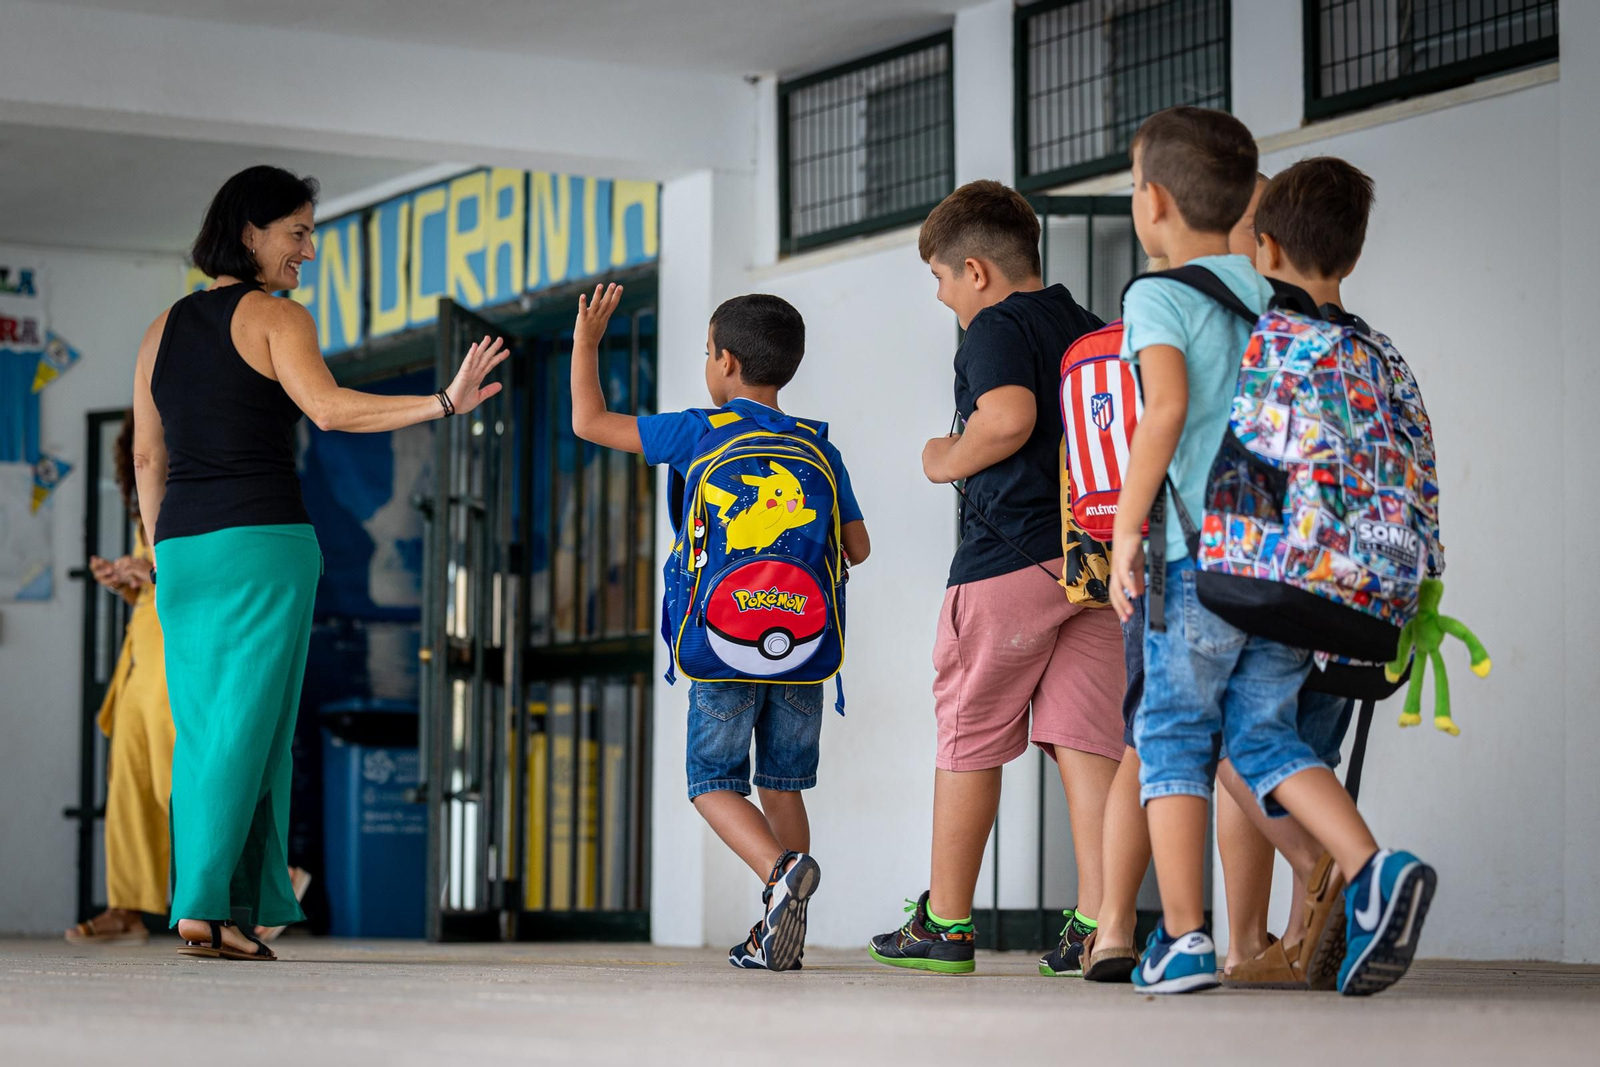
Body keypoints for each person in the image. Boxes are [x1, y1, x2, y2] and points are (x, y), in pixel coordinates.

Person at [133, 165, 507, 961]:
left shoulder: (160, 329)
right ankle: (202, 903)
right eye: (298, 231)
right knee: (250, 729)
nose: (309, 248)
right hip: (263, 545)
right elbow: (332, 410)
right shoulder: (276, 317)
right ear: (249, 232)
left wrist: (163, 553)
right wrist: (442, 403)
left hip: (183, 551)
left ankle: (225, 905)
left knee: (208, 728)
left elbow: (145, 456)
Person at [1108, 107, 1434, 996]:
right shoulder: (1275, 297)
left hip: (1195, 563)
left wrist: (1126, 530)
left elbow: (1165, 411)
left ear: (1155, 203)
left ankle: (1183, 938)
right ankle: (1370, 864)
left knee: (1173, 736)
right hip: (1281, 572)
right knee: (1264, 735)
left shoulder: (1157, 295)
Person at [569, 284, 869, 972]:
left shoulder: (699, 430)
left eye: (707, 352)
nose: (707, 363)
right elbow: (857, 548)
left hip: (720, 641)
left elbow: (590, 421)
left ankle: (778, 876)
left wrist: (588, 342)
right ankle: (781, 919)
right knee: (782, 782)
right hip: (801, 648)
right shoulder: (819, 445)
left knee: (711, 780)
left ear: (726, 363)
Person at [868, 180, 1124, 976]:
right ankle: (1098, 918)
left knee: (969, 734)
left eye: (942, 278)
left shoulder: (994, 325)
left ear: (975, 270)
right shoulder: (1091, 327)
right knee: (1088, 739)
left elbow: (1007, 417)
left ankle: (944, 921)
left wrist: (941, 458)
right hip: (1094, 560)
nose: (942, 295)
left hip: (1008, 558)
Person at [64, 415, 172, 946]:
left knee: (183, 782)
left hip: (177, 656)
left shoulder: (200, 493)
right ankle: (127, 907)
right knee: (129, 783)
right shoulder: (149, 509)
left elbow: (197, 573)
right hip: (140, 657)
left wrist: (145, 571)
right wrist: (126, 580)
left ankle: (266, 882)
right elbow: (153, 582)